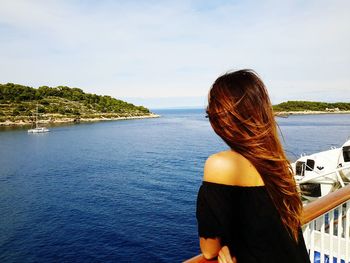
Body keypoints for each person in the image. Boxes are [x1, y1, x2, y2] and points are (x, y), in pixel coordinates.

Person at [196, 69, 310, 263]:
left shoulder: (220, 165)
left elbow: (209, 249)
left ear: (222, 117)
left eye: (211, 111)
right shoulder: (277, 164)